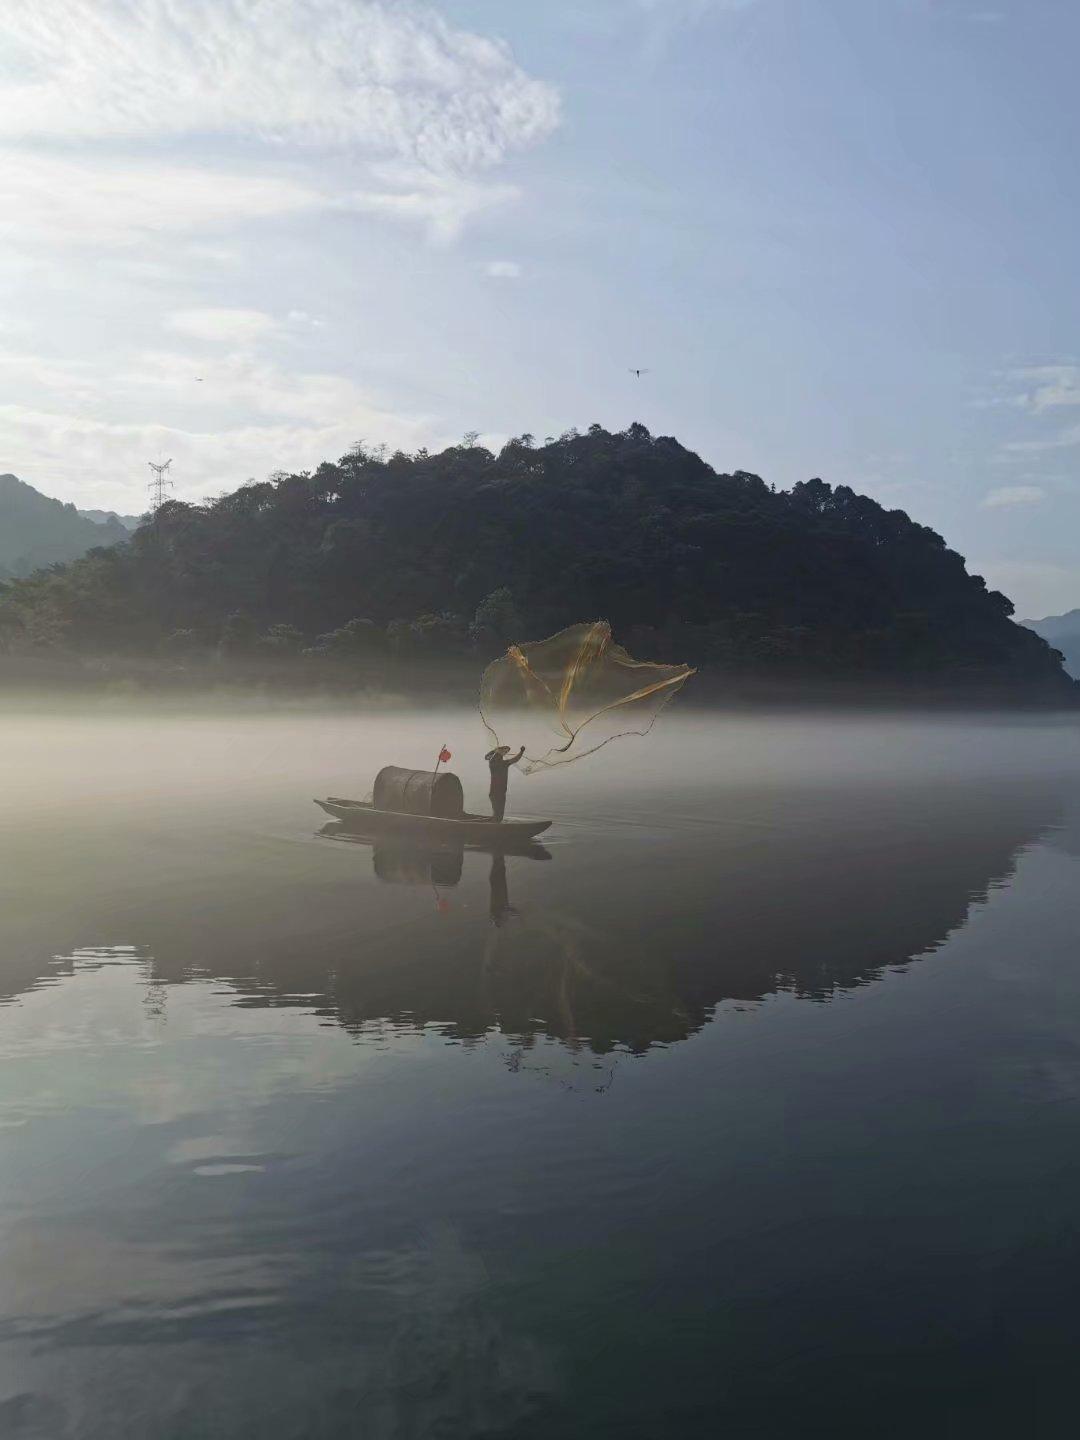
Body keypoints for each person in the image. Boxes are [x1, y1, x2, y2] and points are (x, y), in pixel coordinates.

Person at [485, 743, 525, 822]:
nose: (504, 754)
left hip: (494, 792)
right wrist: (521, 752)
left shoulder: (492, 762)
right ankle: (494, 828)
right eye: (502, 753)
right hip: (499, 792)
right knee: (499, 815)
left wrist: (495, 750)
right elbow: (515, 759)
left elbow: (487, 757)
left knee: (497, 814)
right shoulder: (503, 764)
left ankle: (493, 824)